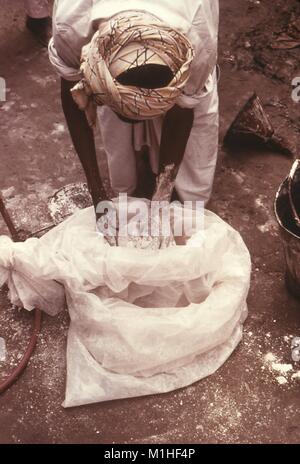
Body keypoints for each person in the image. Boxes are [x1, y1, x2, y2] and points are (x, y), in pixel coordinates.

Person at [49, 0, 219, 214]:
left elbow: (182, 111)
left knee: (194, 177)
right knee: (119, 145)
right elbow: (73, 96)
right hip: (102, 57)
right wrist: (96, 193)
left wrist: (161, 198)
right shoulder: (72, 25)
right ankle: (129, 179)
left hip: (186, 20)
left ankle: (186, 196)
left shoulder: (197, 41)